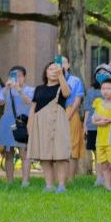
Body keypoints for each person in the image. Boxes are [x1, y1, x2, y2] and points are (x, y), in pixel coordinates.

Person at [28, 62, 73, 193]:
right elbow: (33, 108)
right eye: (50, 69)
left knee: (60, 154)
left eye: (56, 69)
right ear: (46, 72)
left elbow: (67, 94)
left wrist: (61, 76)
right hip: (40, 123)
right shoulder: (39, 88)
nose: (53, 71)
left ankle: (61, 186)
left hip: (58, 122)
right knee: (44, 155)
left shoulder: (63, 86)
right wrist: (30, 124)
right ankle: (49, 185)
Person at [0, 66, 34, 186]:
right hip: (8, 123)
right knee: (9, 154)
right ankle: (10, 182)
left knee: (24, 153)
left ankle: (25, 182)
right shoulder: (7, 89)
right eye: (14, 76)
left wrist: (19, 90)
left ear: (24, 77)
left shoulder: (30, 89)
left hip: (23, 124)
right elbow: (0, 102)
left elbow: (29, 102)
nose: (17, 78)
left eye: (20, 75)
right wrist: (6, 88)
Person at [85, 64, 111, 187]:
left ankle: (110, 177)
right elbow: (88, 109)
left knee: (109, 152)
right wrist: (85, 125)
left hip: (108, 125)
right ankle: (99, 178)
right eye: (99, 72)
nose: (101, 75)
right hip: (93, 126)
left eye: (105, 72)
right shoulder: (91, 90)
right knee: (97, 152)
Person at [58, 55, 86, 172]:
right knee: (57, 145)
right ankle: (57, 177)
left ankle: (70, 178)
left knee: (72, 145)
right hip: (56, 112)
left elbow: (77, 100)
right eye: (58, 62)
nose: (61, 65)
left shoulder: (75, 80)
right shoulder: (53, 80)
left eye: (64, 62)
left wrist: (69, 116)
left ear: (68, 65)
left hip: (71, 111)